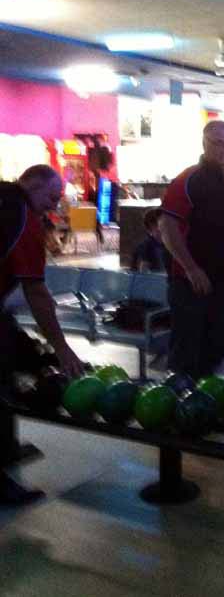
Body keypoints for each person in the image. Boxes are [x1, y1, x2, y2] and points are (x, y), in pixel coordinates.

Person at [1, 165, 85, 506]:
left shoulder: (6, 199)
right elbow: (36, 293)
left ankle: (6, 449)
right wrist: (62, 349)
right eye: (51, 197)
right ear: (31, 184)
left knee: (11, 359)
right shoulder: (23, 219)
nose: (53, 206)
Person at [159, 121, 224, 379]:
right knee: (186, 354)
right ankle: (180, 398)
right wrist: (191, 269)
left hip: (222, 279)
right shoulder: (188, 179)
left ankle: (203, 398)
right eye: (217, 143)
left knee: (214, 351)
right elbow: (167, 227)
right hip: (190, 281)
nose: (223, 150)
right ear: (204, 143)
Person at [130, 208, 168, 272]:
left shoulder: (167, 245)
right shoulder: (145, 247)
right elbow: (143, 272)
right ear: (149, 231)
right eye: (157, 227)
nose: (161, 229)